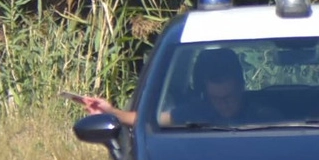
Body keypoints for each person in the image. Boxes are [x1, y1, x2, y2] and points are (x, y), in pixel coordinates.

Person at [79, 48, 251, 126]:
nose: (223, 104)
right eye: (216, 99)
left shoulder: (264, 115)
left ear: (241, 88)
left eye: (229, 98)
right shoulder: (195, 113)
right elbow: (146, 120)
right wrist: (110, 111)